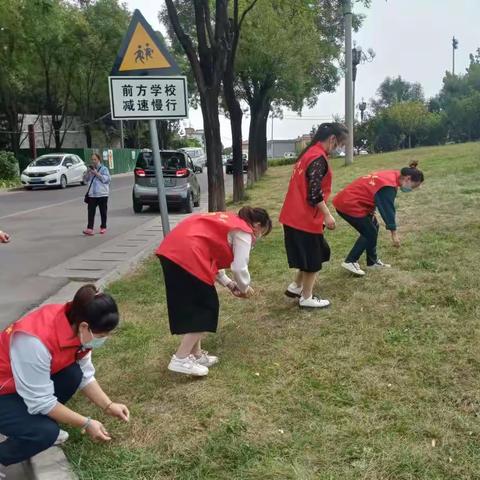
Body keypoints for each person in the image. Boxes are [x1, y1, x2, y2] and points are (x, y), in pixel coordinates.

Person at [0, 285, 129, 474]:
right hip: (4, 392)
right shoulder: (35, 341)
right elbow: (41, 400)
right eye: (102, 335)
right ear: (85, 326)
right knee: (45, 433)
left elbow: (85, 374)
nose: (104, 340)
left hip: (21, 387)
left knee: (73, 374)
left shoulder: (77, 326)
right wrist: (86, 423)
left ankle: (34, 424)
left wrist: (109, 405)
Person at [156, 207, 272, 377]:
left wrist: (229, 284)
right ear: (257, 225)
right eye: (262, 232)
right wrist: (244, 288)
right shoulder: (244, 232)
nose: (259, 237)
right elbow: (239, 267)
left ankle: (195, 355)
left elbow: (212, 255)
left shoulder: (229, 221)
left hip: (174, 250)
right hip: (187, 254)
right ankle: (180, 358)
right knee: (206, 308)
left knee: (195, 305)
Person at [279, 123, 348, 309]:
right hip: (304, 218)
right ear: (332, 139)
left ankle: (296, 286)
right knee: (313, 259)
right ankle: (306, 297)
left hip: (293, 215)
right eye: (340, 144)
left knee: (314, 253)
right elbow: (314, 194)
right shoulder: (318, 158)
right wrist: (327, 215)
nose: (339, 148)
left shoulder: (308, 155)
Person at [333, 161, 425, 276]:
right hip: (349, 204)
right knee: (369, 232)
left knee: (373, 226)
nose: (412, 189)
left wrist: (371, 211)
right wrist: (394, 233)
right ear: (407, 178)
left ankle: (372, 262)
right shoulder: (388, 186)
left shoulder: (393, 175)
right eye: (414, 186)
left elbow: (374, 193)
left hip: (351, 201)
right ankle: (350, 261)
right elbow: (388, 210)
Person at [83, 153, 111, 236]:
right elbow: (85, 180)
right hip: (92, 194)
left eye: (95, 159)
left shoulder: (104, 169)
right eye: (92, 159)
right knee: (90, 212)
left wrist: (96, 173)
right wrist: (88, 172)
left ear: (99, 160)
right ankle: (90, 228)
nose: (93, 161)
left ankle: (103, 227)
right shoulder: (90, 169)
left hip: (102, 194)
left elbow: (107, 180)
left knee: (103, 212)